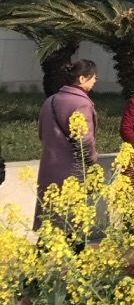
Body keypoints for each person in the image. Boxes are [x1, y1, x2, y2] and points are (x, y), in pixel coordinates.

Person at [34, 58, 99, 230]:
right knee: (74, 225)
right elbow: (84, 140)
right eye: (93, 77)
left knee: (49, 224)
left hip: (49, 169)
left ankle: (41, 255)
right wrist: (92, 162)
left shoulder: (50, 101)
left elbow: (41, 134)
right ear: (82, 79)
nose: (94, 81)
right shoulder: (81, 103)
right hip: (73, 172)